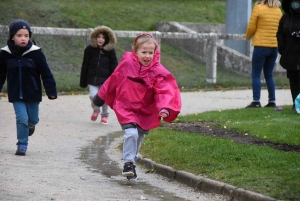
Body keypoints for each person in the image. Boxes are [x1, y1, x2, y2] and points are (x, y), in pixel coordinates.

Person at [93, 33, 181, 179]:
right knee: (131, 134)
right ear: (135, 51)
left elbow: (164, 91)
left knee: (139, 136)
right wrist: (100, 97)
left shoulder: (158, 71)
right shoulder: (127, 63)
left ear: (155, 53)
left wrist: (164, 108)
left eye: (150, 52)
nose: (147, 56)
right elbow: (114, 78)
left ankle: (131, 162)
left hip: (146, 110)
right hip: (126, 106)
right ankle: (128, 163)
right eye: (143, 52)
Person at [0, 19, 57, 156]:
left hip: (33, 93)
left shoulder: (36, 53)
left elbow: (46, 73)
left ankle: (30, 126)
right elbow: (0, 74)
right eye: (19, 35)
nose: (23, 38)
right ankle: (22, 144)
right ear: (12, 37)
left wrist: (51, 91)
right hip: (15, 94)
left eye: (26, 35)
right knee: (21, 119)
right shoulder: (5, 54)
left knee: (32, 119)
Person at [245, 0, 282, 108]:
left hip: (261, 46)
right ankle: (272, 101)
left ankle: (256, 101)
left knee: (256, 74)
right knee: (269, 75)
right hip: (273, 47)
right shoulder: (278, 11)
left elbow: (251, 27)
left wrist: (247, 37)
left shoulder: (258, 8)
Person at [80, 25, 118, 124]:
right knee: (93, 95)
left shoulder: (110, 51)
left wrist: (114, 81)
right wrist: (83, 81)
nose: (100, 39)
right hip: (92, 78)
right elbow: (85, 65)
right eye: (99, 37)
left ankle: (105, 115)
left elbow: (114, 66)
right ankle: (96, 109)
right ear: (95, 38)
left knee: (104, 98)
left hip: (106, 80)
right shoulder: (89, 49)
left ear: (107, 39)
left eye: (103, 37)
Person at [277, 0, 300, 110]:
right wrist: (282, 49)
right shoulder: (285, 18)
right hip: (290, 55)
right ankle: (295, 103)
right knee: (293, 80)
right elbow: (280, 35)